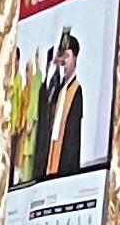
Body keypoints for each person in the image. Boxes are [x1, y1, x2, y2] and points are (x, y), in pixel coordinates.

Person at [36, 30, 94, 177]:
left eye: (67, 56)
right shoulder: (58, 90)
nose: (64, 62)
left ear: (75, 59)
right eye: (61, 57)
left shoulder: (76, 90)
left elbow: (73, 136)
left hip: (66, 163)